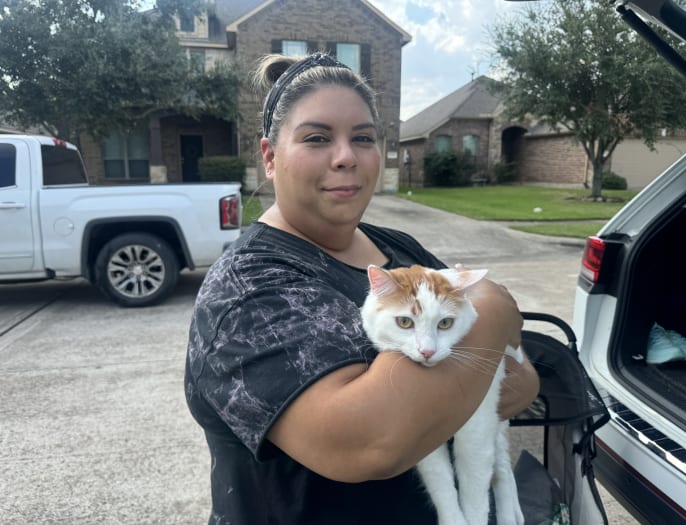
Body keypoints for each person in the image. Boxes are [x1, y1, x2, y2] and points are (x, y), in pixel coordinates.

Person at [185, 52, 540, 525]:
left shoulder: (395, 247)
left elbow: (518, 384)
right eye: (316, 138)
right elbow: (370, 442)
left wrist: (471, 377)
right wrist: (495, 305)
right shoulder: (248, 288)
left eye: (363, 138)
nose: (346, 156)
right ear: (270, 157)